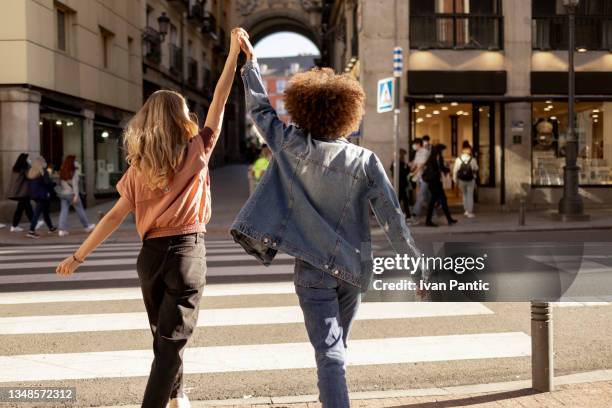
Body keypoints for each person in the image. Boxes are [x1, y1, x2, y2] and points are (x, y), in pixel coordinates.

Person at [230, 34, 426, 408]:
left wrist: (250, 64)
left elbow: (260, 110)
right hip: (354, 270)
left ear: (304, 109)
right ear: (347, 115)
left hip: (312, 273)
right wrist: (416, 267)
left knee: (330, 353)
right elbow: (393, 221)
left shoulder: (289, 143)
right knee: (336, 350)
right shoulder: (365, 161)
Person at [55, 27, 247, 408]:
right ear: (180, 118)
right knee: (169, 345)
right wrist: (232, 56)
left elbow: (111, 218)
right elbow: (220, 100)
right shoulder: (199, 149)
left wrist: (79, 256)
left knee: (165, 338)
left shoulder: (138, 167)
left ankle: (177, 397)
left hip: (150, 257)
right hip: (187, 255)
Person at [57, 155, 96, 236]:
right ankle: (87, 226)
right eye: (74, 161)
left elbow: (60, 183)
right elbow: (75, 185)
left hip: (63, 194)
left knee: (63, 212)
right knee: (80, 210)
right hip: (72, 194)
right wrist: (76, 195)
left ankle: (61, 230)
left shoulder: (62, 170)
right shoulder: (73, 172)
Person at [422, 144, 457, 227]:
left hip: (437, 183)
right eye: (442, 150)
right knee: (437, 201)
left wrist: (447, 169)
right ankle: (429, 221)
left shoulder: (438, 158)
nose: (442, 152)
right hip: (434, 183)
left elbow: (441, 168)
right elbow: (434, 171)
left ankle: (448, 219)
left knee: (440, 200)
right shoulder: (432, 159)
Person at [6, 153, 41, 232]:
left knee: (22, 208)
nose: (29, 160)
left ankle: (15, 226)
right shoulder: (25, 167)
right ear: (25, 160)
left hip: (18, 191)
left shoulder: (16, 167)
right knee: (25, 208)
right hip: (23, 192)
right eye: (28, 159)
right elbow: (30, 176)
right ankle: (33, 223)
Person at [26, 157, 57, 238]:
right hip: (43, 194)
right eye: (44, 161)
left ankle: (51, 227)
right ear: (41, 163)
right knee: (37, 213)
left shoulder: (31, 171)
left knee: (45, 211)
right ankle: (31, 231)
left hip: (34, 194)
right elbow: (47, 182)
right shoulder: (43, 171)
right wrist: (54, 184)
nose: (45, 163)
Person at [453, 141, 479, 218]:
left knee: (464, 195)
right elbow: (476, 168)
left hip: (461, 180)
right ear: (469, 150)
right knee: (470, 195)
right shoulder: (473, 159)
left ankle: (466, 210)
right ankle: (469, 212)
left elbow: (455, 171)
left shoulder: (458, 159)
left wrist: (455, 181)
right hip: (470, 180)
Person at [410, 137, 430, 224]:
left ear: (418, 144)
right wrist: (411, 168)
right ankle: (433, 213)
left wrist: (414, 172)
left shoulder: (425, 152)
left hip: (424, 177)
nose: (414, 146)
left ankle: (415, 215)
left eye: (415, 144)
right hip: (419, 177)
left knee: (421, 195)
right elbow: (415, 163)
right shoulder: (417, 152)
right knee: (427, 196)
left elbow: (422, 164)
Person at [390, 148, 411, 217]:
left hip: (398, 183)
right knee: (402, 199)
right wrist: (408, 167)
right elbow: (406, 172)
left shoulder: (395, 162)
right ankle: (406, 215)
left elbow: (392, 171)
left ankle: (407, 214)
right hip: (401, 183)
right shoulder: (402, 163)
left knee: (402, 199)